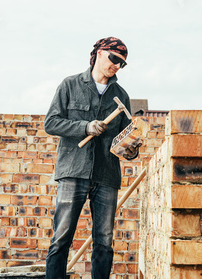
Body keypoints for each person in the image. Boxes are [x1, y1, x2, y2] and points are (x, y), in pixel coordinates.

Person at [44, 37, 141, 279]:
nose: (117, 66)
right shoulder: (70, 85)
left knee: (104, 241)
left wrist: (131, 150)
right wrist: (85, 127)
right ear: (99, 53)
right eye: (115, 59)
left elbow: (126, 137)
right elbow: (51, 123)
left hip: (106, 174)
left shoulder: (121, 96)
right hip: (73, 171)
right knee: (61, 237)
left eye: (122, 64)